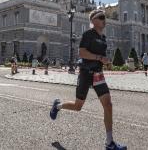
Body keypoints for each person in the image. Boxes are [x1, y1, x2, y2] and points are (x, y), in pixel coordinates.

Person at [50, 9, 126, 150]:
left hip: (97, 74)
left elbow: (100, 57)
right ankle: (57, 106)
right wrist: (99, 58)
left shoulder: (103, 38)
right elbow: (82, 52)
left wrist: (105, 61)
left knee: (108, 105)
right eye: (101, 17)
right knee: (78, 106)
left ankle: (109, 143)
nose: (105, 20)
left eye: (105, 17)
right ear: (93, 21)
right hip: (85, 73)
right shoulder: (88, 34)